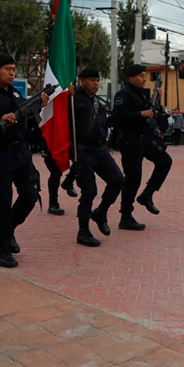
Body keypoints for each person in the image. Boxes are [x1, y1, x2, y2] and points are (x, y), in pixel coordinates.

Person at [0, 54, 48, 269]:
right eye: (7, 68)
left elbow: (27, 121)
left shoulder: (15, 93)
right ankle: (0, 249)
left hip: (21, 154)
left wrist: (38, 106)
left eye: (14, 69)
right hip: (0, 154)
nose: (12, 72)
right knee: (2, 202)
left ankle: (7, 231)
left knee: (30, 196)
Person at [113, 64, 172, 231]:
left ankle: (147, 194)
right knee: (133, 179)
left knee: (165, 161)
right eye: (141, 76)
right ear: (131, 77)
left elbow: (151, 114)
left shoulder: (141, 94)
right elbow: (118, 116)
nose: (144, 79)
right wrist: (140, 114)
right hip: (130, 142)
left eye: (145, 76)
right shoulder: (123, 95)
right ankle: (125, 216)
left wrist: (157, 102)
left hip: (145, 139)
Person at [71, 67, 125, 247]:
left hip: (100, 150)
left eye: (97, 80)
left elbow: (105, 123)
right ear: (82, 81)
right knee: (89, 191)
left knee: (117, 180)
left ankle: (101, 212)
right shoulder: (72, 99)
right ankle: (83, 231)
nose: (96, 83)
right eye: (92, 80)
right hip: (83, 151)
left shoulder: (99, 103)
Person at [40, 135, 76, 216]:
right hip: (51, 142)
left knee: (80, 161)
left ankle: (68, 182)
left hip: (67, 139)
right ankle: (53, 204)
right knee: (56, 173)